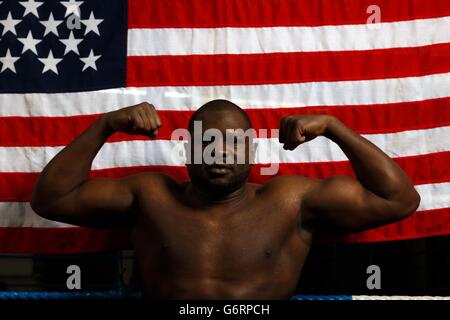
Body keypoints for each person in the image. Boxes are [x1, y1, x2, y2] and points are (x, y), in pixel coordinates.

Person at [30, 99, 420, 299]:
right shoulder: (150, 195)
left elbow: (398, 199)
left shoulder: (290, 200)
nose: (220, 153)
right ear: (188, 150)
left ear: (250, 152)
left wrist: (336, 128)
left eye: (233, 144)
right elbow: (52, 199)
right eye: (208, 143)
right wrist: (105, 125)